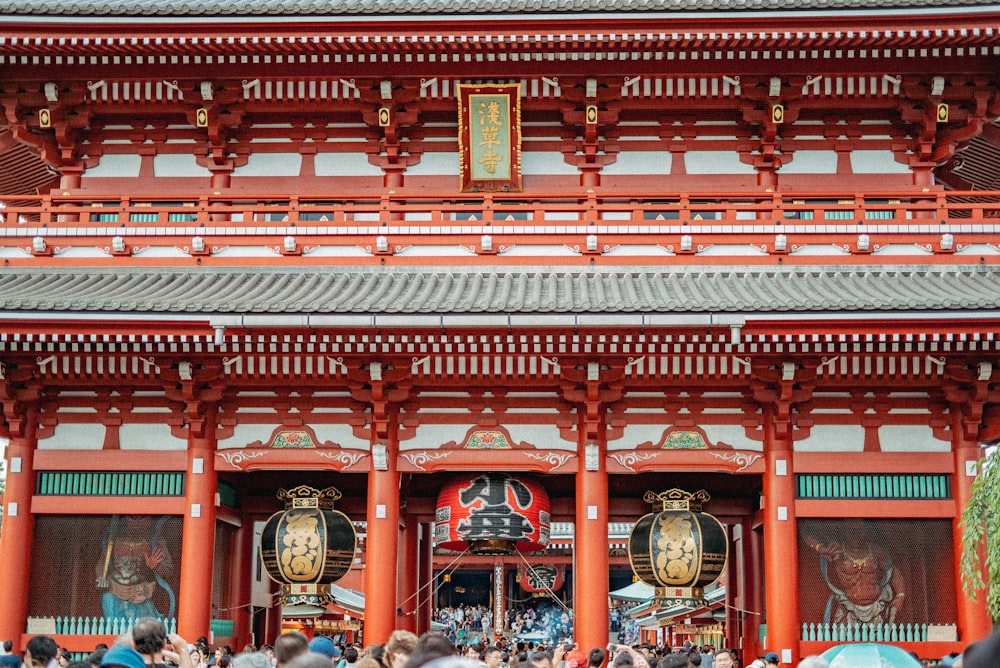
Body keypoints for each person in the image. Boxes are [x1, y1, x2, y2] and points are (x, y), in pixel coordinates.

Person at [800, 519, 904, 626]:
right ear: (843, 531)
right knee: (842, 640)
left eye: (859, 531)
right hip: (848, 606)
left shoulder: (876, 551)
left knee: (878, 641)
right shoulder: (837, 551)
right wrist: (819, 548)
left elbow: (892, 571)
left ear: (866, 531)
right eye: (851, 532)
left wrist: (901, 595)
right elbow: (805, 530)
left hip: (876, 607)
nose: (856, 536)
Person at [97, 515, 176, 620]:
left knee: (145, 628)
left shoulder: (155, 540)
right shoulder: (114, 538)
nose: (137, 523)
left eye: (143, 518)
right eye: (132, 518)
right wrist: (101, 577)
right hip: (115, 590)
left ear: (150, 519)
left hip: (140, 592)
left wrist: (156, 567)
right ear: (125, 518)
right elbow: (102, 564)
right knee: (114, 624)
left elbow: (169, 570)